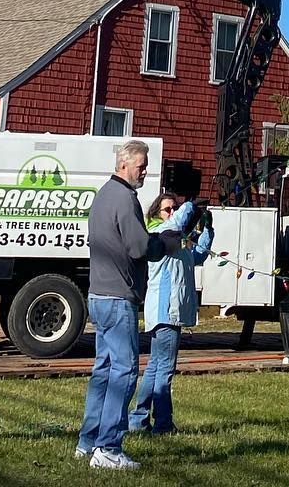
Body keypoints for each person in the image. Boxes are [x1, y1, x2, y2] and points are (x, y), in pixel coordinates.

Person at [78, 139, 194, 472]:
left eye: (146, 166)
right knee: (125, 371)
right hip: (118, 298)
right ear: (124, 164)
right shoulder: (125, 198)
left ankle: (87, 442)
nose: (144, 172)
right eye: (141, 166)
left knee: (103, 370)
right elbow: (140, 248)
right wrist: (167, 241)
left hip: (98, 295)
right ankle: (108, 447)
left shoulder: (103, 195)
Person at [128, 190, 214, 437]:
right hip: (165, 311)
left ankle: (138, 419)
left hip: (170, 312)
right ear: (157, 214)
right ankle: (163, 424)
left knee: (155, 367)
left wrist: (207, 230)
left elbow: (197, 256)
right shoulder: (158, 234)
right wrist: (190, 206)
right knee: (164, 370)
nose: (173, 212)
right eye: (168, 209)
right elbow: (176, 223)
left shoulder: (175, 241)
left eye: (174, 208)